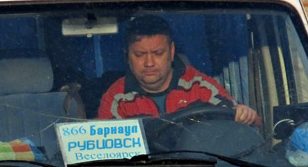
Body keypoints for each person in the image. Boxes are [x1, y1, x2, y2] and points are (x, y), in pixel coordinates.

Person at [97, 15, 260, 125]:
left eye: (158, 53)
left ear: (172, 51)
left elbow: (244, 123)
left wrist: (244, 114)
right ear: (127, 56)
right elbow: (105, 149)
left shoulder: (199, 86)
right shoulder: (116, 99)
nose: (149, 63)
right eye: (140, 55)